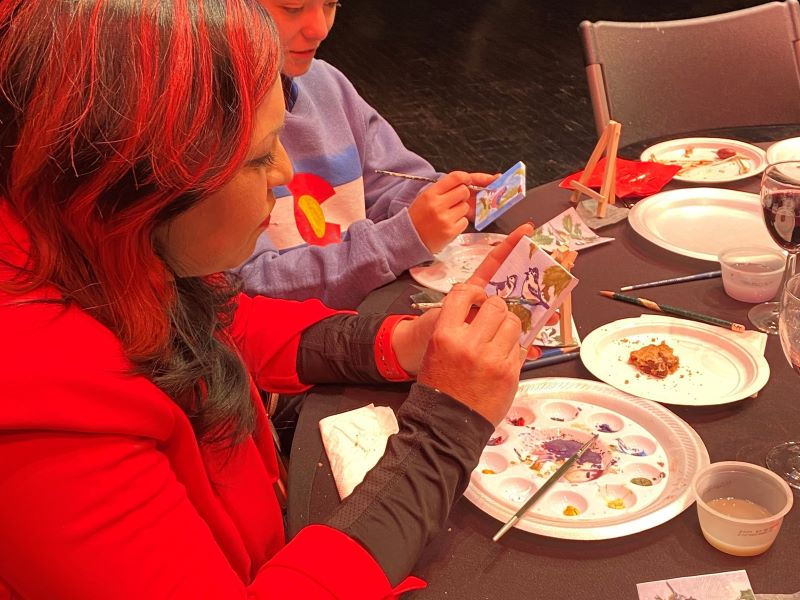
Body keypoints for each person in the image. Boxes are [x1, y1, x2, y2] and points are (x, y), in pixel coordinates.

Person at [0, 1, 530, 597]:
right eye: (260, 155)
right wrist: (446, 428)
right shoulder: (42, 423)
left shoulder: (101, 245)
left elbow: (228, 322)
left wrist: (400, 342)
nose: (284, 173)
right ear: (136, 180)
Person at [233, 0, 498, 309]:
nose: (320, 29)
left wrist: (443, 200)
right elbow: (248, 289)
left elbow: (389, 178)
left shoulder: (329, 84)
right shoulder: (203, 124)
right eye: (292, 7)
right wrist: (400, 239)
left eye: (331, 4)